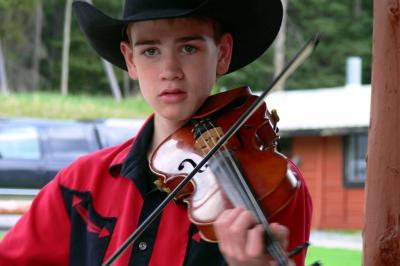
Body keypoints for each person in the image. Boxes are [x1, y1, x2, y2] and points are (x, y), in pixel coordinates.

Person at [0, 0, 312, 265]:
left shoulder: (272, 184)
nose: (170, 70)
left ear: (222, 53)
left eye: (189, 47)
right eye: (150, 51)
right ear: (130, 59)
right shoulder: (81, 182)